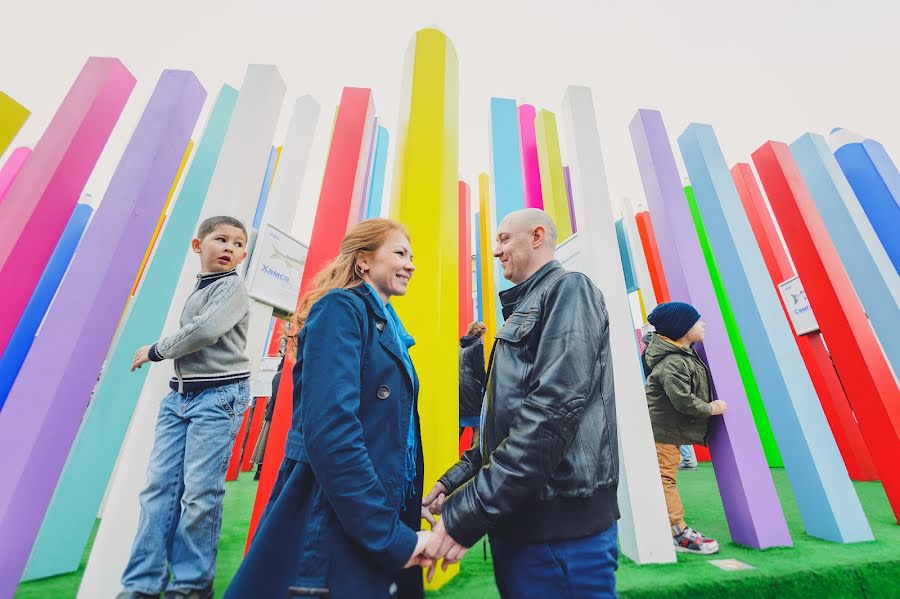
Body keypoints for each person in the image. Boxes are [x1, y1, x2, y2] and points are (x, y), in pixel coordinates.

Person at [226, 218, 433, 599]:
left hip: (363, 502)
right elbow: (332, 433)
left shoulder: (389, 326)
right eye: (400, 253)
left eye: (412, 256)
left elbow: (388, 431)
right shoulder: (341, 309)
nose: (411, 264)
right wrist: (387, 533)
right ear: (364, 261)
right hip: (330, 505)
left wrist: (400, 498)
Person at [423, 208, 619, 598]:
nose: (496, 252)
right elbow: (509, 422)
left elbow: (549, 416)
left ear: (536, 236)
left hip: (559, 532)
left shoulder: (570, 289)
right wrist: (455, 479)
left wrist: (471, 511)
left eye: (503, 239)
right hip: (520, 523)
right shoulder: (525, 307)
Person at [119, 216, 252, 599]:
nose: (230, 248)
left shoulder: (232, 287)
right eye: (221, 239)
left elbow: (205, 331)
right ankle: (141, 585)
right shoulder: (203, 286)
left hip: (219, 396)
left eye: (238, 243)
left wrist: (156, 350)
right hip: (180, 397)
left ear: (243, 254)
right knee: (157, 490)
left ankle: (192, 586)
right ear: (198, 246)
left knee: (199, 495)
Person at [643, 301, 727, 554]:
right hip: (663, 433)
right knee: (664, 479)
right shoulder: (673, 363)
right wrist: (710, 408)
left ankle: (665, 526)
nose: (703, 324)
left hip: (668, 432)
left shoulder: (682, 355)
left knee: (663, 478)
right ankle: (676, 532)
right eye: (696, 321)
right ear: (682, 329)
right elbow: (682, 399)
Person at [641, 330, 699, 471]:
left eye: (642, 343)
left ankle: (687, 458)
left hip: (661, 395)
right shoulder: (669, 354)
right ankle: (689, 458)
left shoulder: (650, 355)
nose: (641, 345)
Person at [459, 321, 487, 443]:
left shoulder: (461, 346)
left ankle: (451, 455)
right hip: (472, 389)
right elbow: (479, 369)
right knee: (477, 425)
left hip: (460, 388)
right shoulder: (477, 345)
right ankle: (473, 459)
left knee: (460, 423)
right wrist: (487, 384)